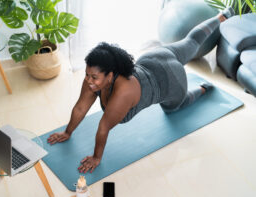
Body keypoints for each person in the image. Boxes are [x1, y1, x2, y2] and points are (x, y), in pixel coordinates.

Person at [47, 8, 235, 173]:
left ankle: (202, 89)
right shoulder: (95, 78)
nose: (89, 80)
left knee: (174, 108)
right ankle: (222, 16)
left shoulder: (123, 92)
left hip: (171, 80)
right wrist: (67, 132)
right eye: (87, 74)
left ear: (110, 76)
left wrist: (96, 157)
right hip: (154, 58)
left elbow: (103, 127)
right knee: (191, 42)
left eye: (94, 77)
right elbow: (80, 108)